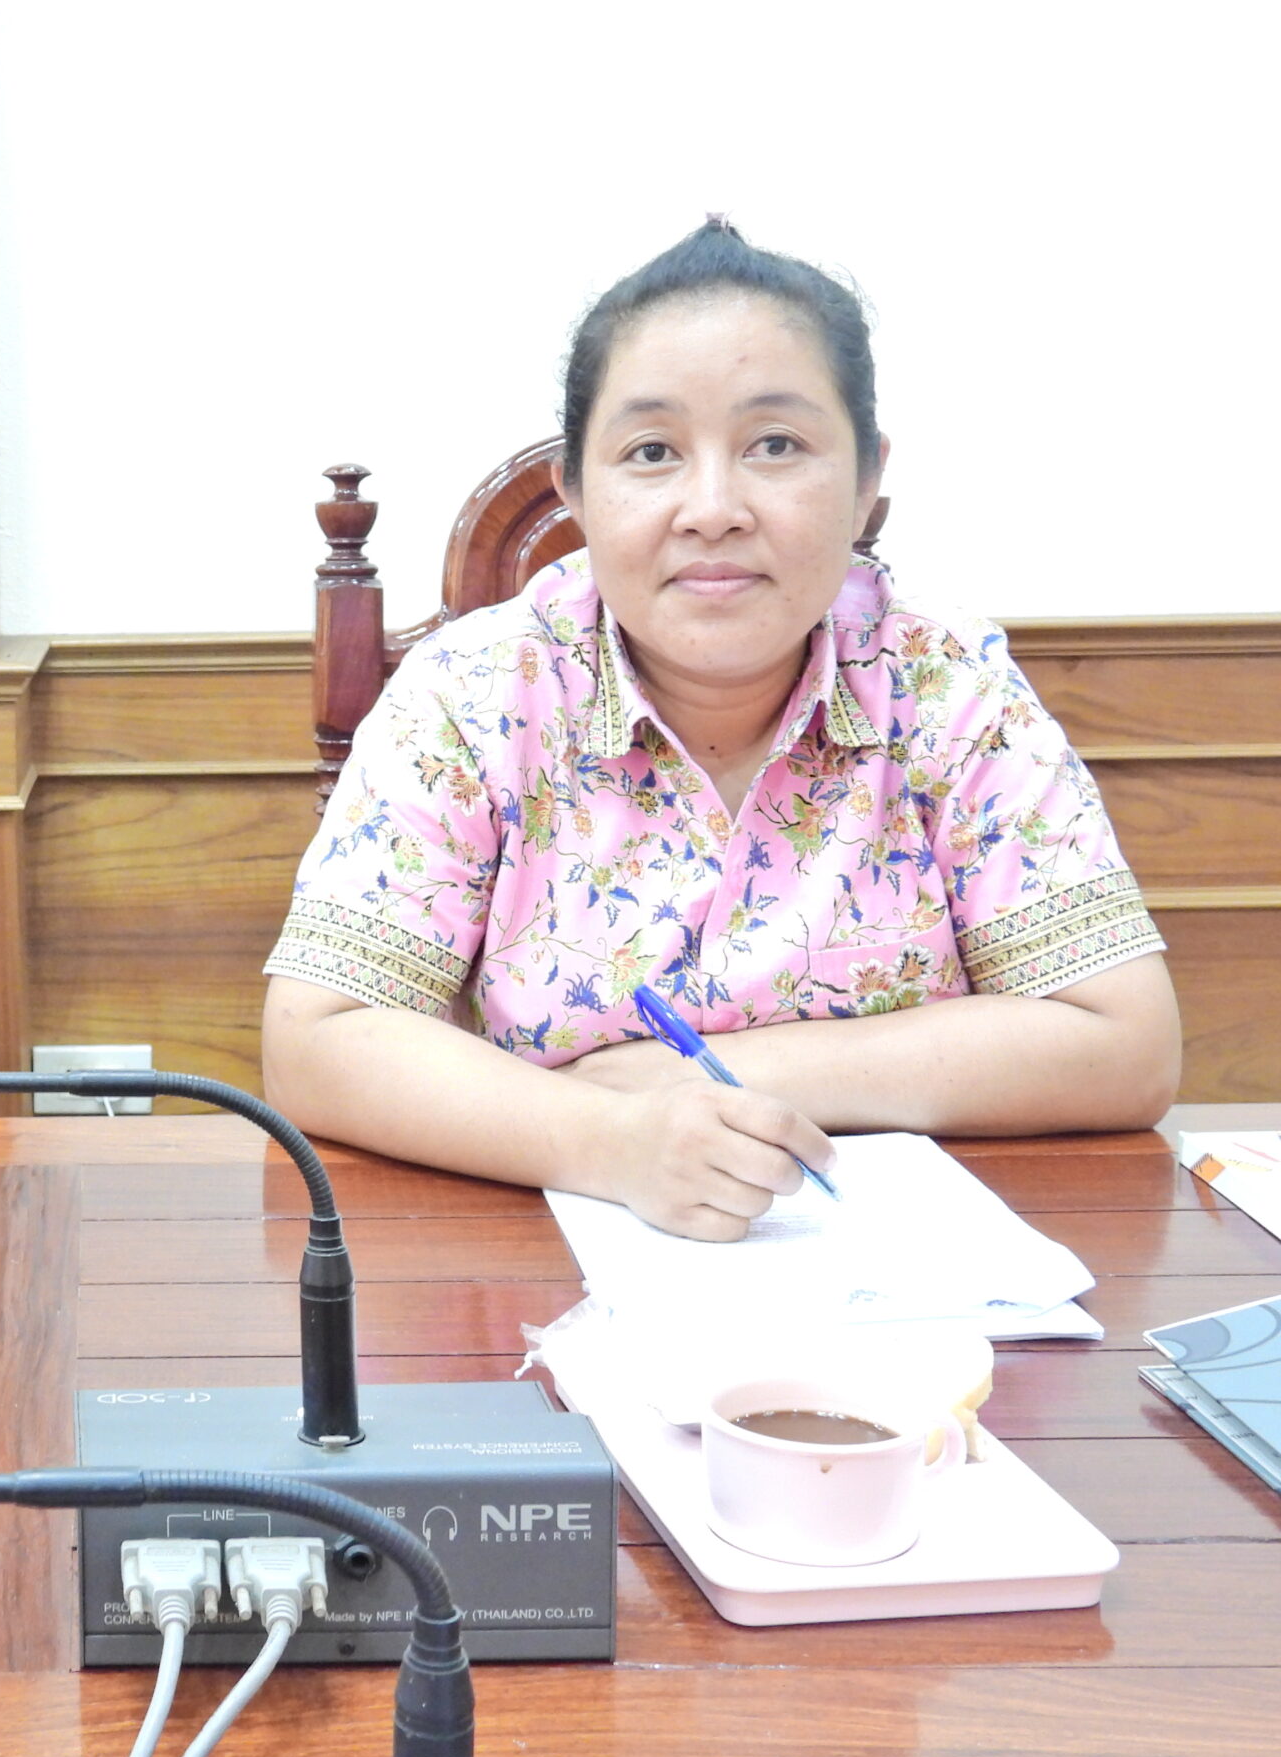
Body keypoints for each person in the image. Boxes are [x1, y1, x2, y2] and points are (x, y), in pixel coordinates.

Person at [261, 220, 1181, 1241]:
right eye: (651, 452)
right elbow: (317, 1040)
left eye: (775, 446)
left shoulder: (943, 682)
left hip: (905, 1272)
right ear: (576, 491)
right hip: (557, 1257)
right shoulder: (475, 690)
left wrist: (699, 1077)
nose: (712, 508)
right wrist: (607, 1140)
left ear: (866, 482)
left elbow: (1125, 1045)